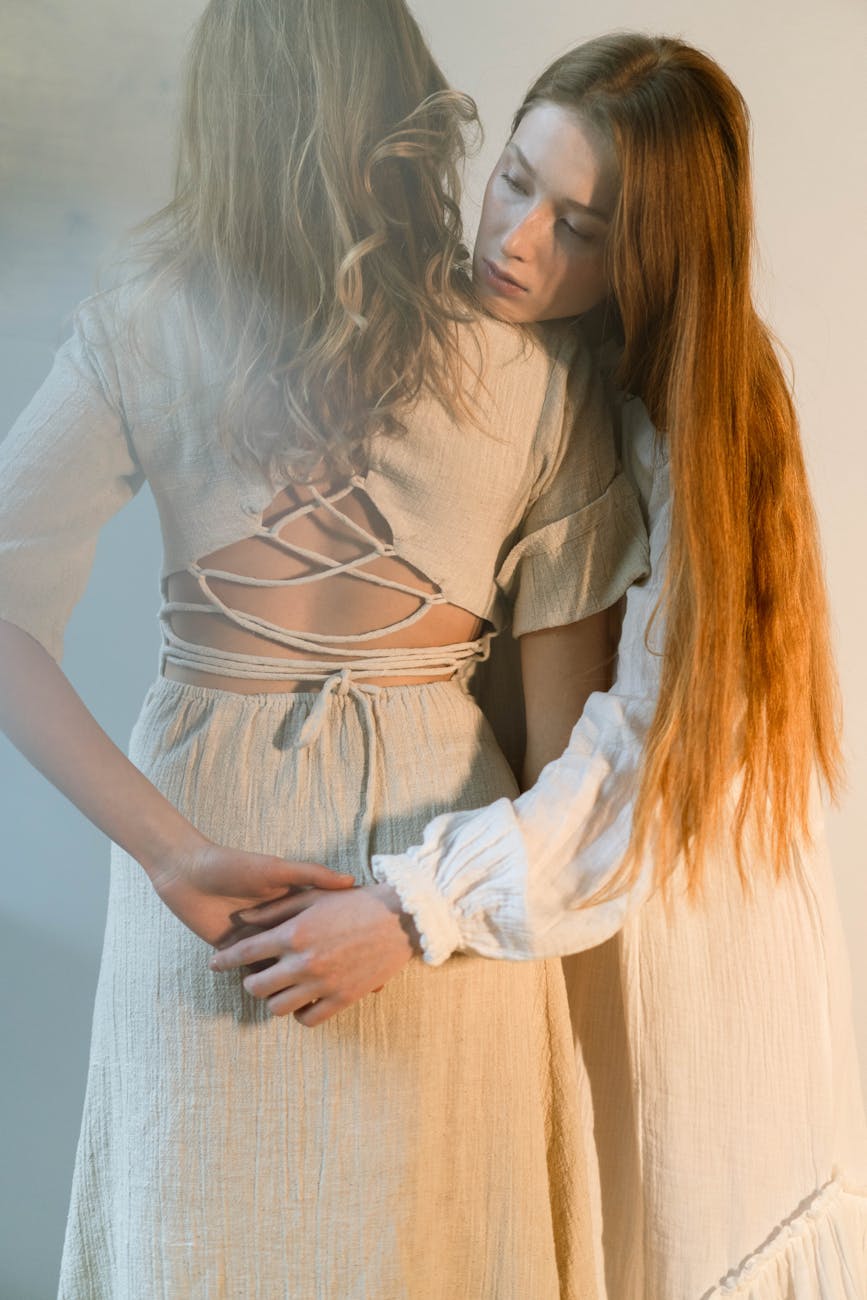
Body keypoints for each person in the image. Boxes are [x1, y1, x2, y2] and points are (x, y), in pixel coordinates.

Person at [0, 4, 650, 1298]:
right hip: (433, 881)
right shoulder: (537, 363)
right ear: (413, 108)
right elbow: (567, 764)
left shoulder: (147, 311)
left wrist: (172, 848)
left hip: (202, 865)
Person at [215, 33, 867, 1298]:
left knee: (649, 1231)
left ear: (653, 251)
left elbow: (641, 765)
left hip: (666, 936)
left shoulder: (702, 414)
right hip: (543, 904)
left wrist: (412, 907)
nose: (517, 239)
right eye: (516, 179)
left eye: (581, 225)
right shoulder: (485, 344)